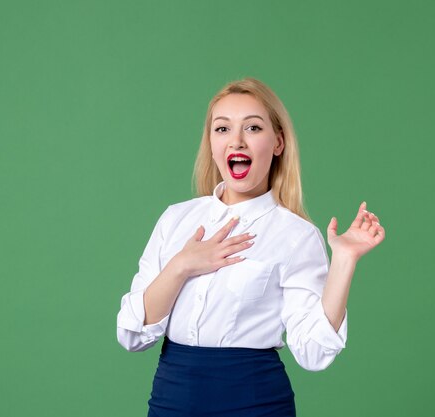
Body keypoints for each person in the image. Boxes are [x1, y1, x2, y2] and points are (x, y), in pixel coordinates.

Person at [116, 77, 386, 417]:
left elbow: (314, 353)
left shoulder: (296, 235)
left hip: (255, 404)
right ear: (211, 143)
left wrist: (344, 261)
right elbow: (131, 334)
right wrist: (182, 265)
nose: (237, 142)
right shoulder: (175, 220)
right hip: (172, 402)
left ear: (278, 143)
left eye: (253, 128)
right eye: (223, 129)